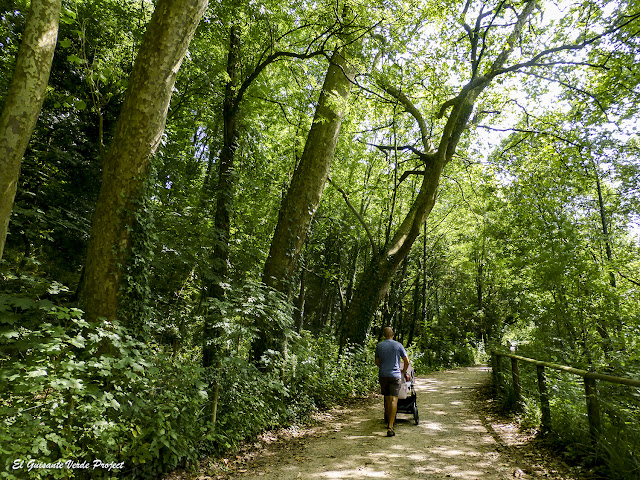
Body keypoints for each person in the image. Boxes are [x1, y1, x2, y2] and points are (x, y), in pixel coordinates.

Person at [375, 326, 410, 437]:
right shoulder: (398, 345)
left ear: (384, 335)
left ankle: (387, 418)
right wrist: (403, 371)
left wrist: (383, 367)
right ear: (393, 334)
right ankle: (390, 426)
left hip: (383, 375)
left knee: (386, 397)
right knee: (394, 399)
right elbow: (406, 361)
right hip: (395, 375)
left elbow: (376, 361)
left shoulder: (379, 346)